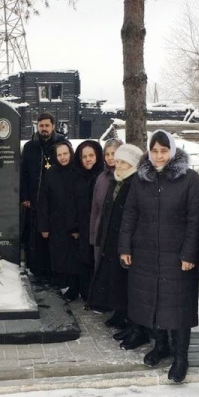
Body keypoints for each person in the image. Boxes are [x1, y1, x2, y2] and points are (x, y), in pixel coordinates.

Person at [119, 130, 199, 383]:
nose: (159, 156)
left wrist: (189, 253)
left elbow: (195, 219)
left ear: (173, 151)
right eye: (154, 150)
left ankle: (181, 357)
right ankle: (161, 345)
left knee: (178, 305)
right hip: (145, 252)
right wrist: (125, 247)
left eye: (164, 151)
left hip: (176, 255)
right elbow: (130, 214)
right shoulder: (141, 179)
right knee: (152, 301)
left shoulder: (189, 179)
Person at [88, 144, 150, 350]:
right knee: (120, 284)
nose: (118, 164)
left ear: (133, 163)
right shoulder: (119, 180)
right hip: (114, 240)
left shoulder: (135, 182)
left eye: (123, 161)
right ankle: (128, 323)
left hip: (129, 244)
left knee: (131, 288)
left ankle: (137, 329)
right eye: (118, 160)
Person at [20, 112, 67, 281]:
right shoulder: (30, 146)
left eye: (47, 125)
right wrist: (24, 195)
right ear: (37, 126)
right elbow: (23, 172)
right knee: (36, 238)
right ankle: (37, 271)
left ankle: (54, 271)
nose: (44, 129)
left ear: (53, 126)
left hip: (56, 201)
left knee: (54, 238)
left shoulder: (62, 144)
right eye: (41, 126)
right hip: (35, 198)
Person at [37, 141, 79, 300]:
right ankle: (63, 282)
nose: (62, 157)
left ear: (71, 153)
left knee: (74, 256)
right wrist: (44, 226)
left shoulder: (78, 171)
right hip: (56, 222)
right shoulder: (51, 173)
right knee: (59, 255)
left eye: (65, 154)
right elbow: (44, 201)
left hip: (74, 223)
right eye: (59, 155)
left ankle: (74, 286)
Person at [89, 138, 123, 301]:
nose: (110, 157)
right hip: (101, 230)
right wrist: (93, 235)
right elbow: (95, 209)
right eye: (107, 154)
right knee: (101, 267)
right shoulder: (101, 178)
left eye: (113, 153)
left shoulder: (125, 177)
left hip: (117, 232)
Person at [72, 140, 104, 301]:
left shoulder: (104, 176)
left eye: (91, 155)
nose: (88, 159)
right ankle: (85, 293)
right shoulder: (76, 176)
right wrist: (74, 227)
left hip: (98, 226)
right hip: (83, 226)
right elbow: (71, 203)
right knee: (84, 260)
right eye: (84, 156)